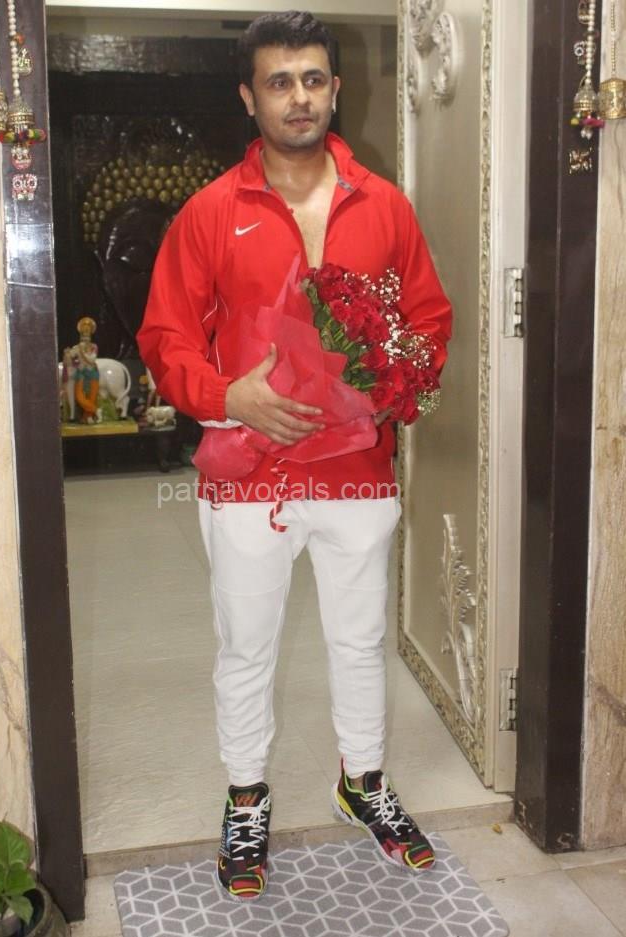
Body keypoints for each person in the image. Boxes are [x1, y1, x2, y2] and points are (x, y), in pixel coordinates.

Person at [137, 10, 452, 902]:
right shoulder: (209, 212)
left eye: (313, 78)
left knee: (360, 639)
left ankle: (363, 781)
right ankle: (246, 797)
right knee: (246, 646)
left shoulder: (383, 205)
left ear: (335, 88)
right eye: (279, 82)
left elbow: (425, 318)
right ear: (250, 97)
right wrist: (224, 396)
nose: (299, 97)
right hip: (250, 475)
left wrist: (399, 384)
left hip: (357, 471)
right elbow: (166, 335)